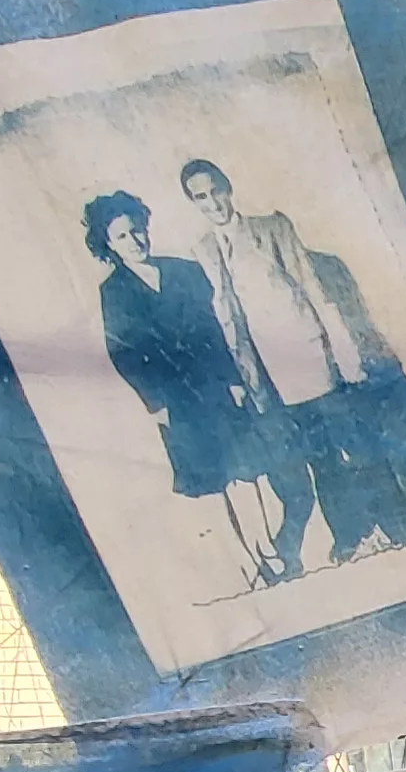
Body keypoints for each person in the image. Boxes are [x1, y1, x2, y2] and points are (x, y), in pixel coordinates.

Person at [179, 157, 406, 574]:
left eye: (216, 191)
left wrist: (346, 355)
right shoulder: (205, 250)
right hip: (269, 373)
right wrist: (247, 378)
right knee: (319, 457)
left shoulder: (272, 228)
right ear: (193, 203)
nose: (212, 203)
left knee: (357, 445)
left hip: (313, 357)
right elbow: (228, 316)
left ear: (228, 188)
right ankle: (349, 536)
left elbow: (313, 289)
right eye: (201, 197)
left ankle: (403, 528)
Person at [82, 191, 270, 587]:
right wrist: (156, 404)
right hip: (175, 399)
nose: (134, 241)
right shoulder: (113, 292)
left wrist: (233, 381)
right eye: (121, 236)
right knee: (209, 479)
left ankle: (265, 546)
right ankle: (245, 562)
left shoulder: (184, 271)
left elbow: (213, 330)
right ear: (108, 245)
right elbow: (124, 354)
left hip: (214, 385)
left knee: (246, 468)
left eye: (136, 230)